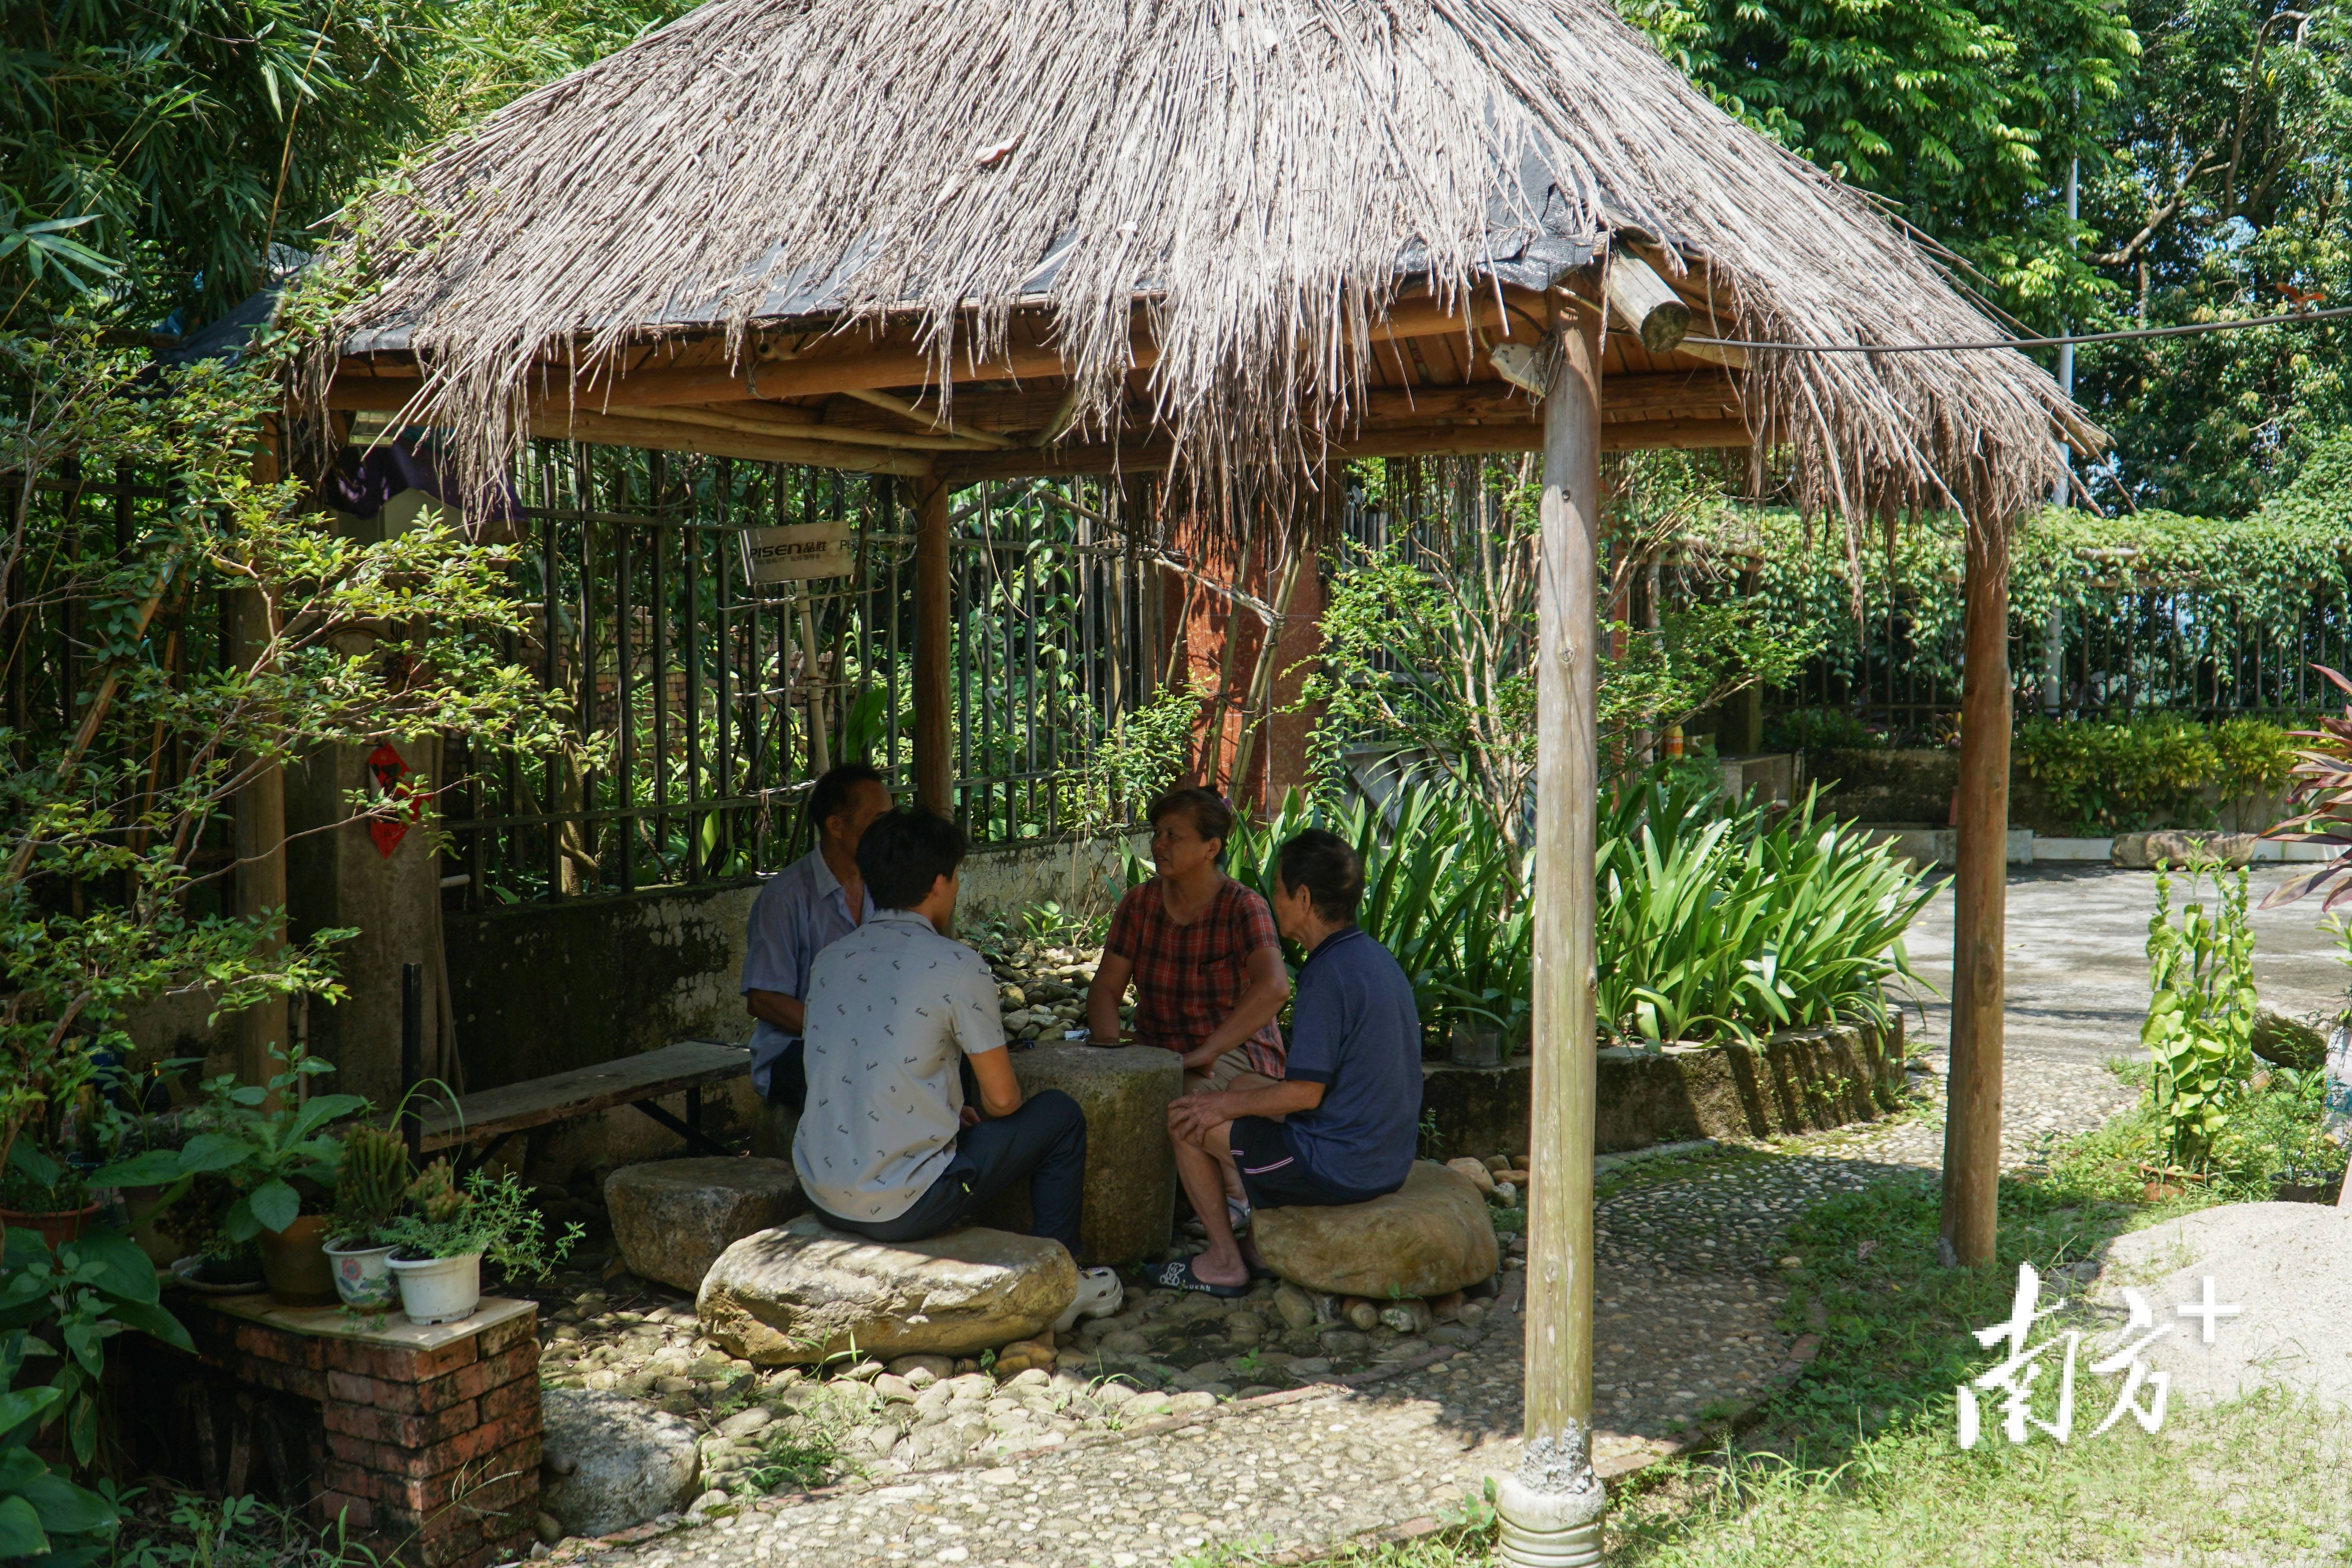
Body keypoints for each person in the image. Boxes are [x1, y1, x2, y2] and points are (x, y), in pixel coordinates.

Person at [794, 808, 1122, 1327]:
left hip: (822, 1192)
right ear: (940, 883)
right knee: (1059, 1116)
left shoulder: (831, 958)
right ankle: (1061, 1283)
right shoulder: (956, 965)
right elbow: (1004, 1101)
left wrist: (947, 1113)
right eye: (956, 876)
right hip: (905, 1208)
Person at [1156, 828, 1422, 1295]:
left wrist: (1218, 1108)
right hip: (1384, 1157)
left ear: (1303, 898)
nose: (1271, 900)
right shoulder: (1372, 957)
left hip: (1338, 1166)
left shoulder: (1327, 974)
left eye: (1278, 889)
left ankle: (1224, 1262)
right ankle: (1260, 1246)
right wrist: (1233, 1101)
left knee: (1185, 1120)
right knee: (1241, 1087)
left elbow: (1304, 1093)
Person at [1086, 785, 1290, 1096]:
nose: (1159, 844)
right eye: (1158, 833)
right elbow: (1106, 988)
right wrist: (1109, 1051)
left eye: (1174, 836)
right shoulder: (1139, 903)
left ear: (1212, 848)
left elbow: (1275, 987)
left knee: (1177, 1099)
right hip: (1157, 1048)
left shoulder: (1243, 906)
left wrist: (1209, 1051)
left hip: (1232, 1050)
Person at [740, 762, 891, 1111]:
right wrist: (845, 1031)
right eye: (878, 820)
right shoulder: (785, 897)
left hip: (871, 1043)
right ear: (836, 826)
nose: (889, 832)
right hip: (797, 1050)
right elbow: (763, 1000)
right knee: (868, 1081)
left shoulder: (885, 885)